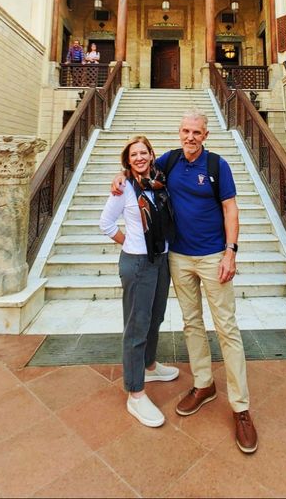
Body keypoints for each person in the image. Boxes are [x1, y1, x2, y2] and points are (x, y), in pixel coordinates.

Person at [111, 110, 258, 454]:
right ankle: (204, 384)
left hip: (212, 257)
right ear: (179, 134)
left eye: (196, 132)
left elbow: (230, 209)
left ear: (205, 135)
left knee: (227, 329)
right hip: (177, 256)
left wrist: (230, 252)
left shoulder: (217, 166)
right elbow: (139, 167)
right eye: (185, 131)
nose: (190, 136)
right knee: (192, 323)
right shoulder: (170, 161)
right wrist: (119, 176)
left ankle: (241, 408)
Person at [100, 135, 179, 428]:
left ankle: (149, 365)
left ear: (151, 155)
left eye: (143, 152)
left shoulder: (160, 181)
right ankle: (135, 392)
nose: (139, 158)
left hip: (161, 261)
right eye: (133, 154)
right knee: (136, 326)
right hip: (137, 263)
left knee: (156, 317)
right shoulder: (123, 189)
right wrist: (129, 242)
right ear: (127, 160)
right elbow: (105, 224)